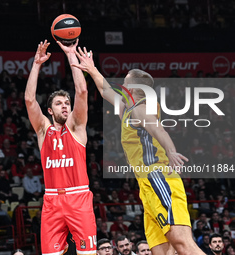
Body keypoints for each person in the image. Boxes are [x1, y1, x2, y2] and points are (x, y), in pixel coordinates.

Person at [73, 47, 205, 255]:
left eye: (125, 81)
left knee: (181, 243)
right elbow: (106, 91)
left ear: (133, 88)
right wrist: (91, 68)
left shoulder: (139, 109)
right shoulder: (128, 108)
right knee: (160, 251)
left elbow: (157, 128)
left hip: (158, 176)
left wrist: (171, 150)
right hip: (146, 184)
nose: (122, 84)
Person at [24, 40, 96, 255]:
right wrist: (36, 64)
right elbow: (29, 99)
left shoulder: (76, 127)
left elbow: (82, 90)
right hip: (52, 200)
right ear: (49, 110)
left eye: (67, 103)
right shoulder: (43, 131)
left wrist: (71, 54)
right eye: (59, 103)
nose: (65, 105)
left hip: (78, 197)